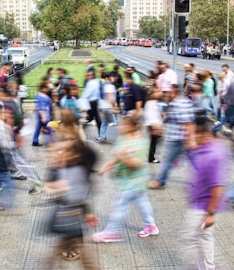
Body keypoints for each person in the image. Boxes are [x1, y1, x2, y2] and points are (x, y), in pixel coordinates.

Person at [44, 108, 99, 268]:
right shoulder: (63, 135)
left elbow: (69, 186)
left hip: (71, 202)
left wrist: (53, 186)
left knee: (68, 239)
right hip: (70, 202)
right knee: (67, 240)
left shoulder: (75, 161)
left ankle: (72, 251)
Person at [91, 115, 159, 243]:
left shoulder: (140, 142)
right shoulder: (123, 139)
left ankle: (112, 232)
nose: (119, 127)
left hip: (133, 181)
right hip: (130, 180)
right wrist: (107, 166)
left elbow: (138, 163)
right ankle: (151, 226)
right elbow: (117, 156)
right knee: (142, 202)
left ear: (132, 127)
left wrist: (125, 157)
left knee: (120, 205)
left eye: (123, 125)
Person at [183, 110, 230, 269]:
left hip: (203, 207)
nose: (193, 136)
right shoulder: (208, 148)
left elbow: (218, 186)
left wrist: (210, 213)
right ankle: (209, 267)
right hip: (200, 203)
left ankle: (206, 266)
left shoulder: (214, 154)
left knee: (191, 240)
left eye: (195, 133)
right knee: (205, 237)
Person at [149, 84, 195, 189]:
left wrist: (189, 140)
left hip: (178, 139)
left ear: (174, 93)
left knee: (168, 161)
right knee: (193, 161)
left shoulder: (179, 104)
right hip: (179, 138)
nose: (167, 94)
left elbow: (187, 123)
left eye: (169, 92)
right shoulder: (183, 102)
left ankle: (160, 182)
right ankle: (204, 180)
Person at [32, 81, 53, 146]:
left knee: (38, 128)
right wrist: (43, 117)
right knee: (50, 128)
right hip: (44, 115)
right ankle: (51, 142)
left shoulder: (40, 95)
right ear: (43, 88)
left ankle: (35, 141)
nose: (48, 89)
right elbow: (40, 107)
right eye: (47, 88)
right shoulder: (41, 96)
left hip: (44, 115)